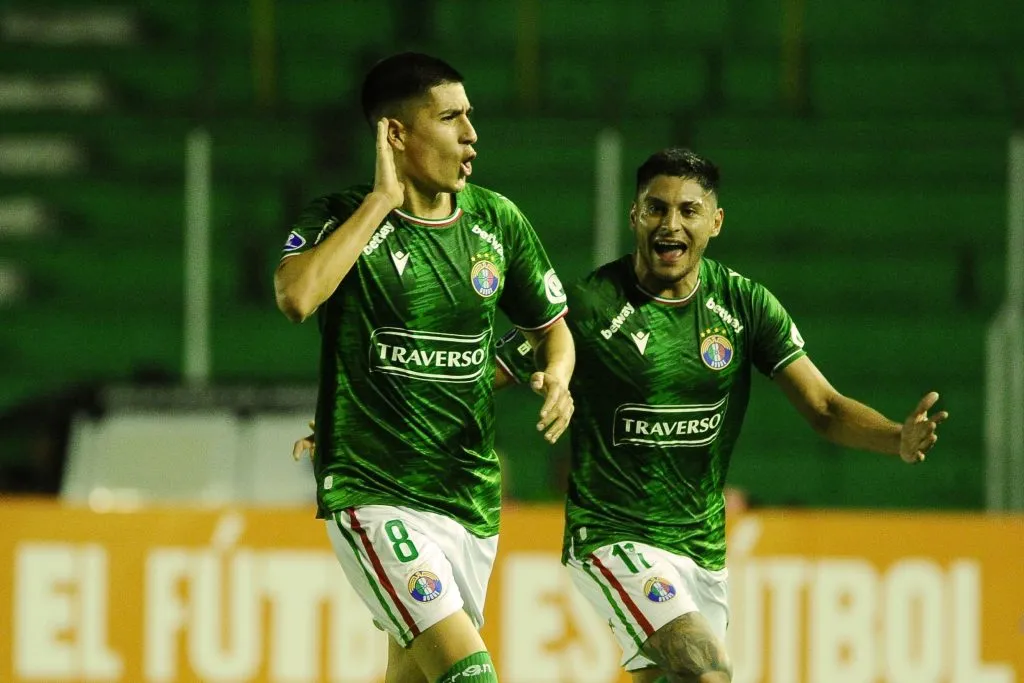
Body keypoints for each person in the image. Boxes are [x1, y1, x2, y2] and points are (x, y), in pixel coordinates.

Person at [492, 147, 948, 683]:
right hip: (614, 537)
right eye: (656, 208)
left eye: (688, 210)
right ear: (634, 215)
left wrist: (895, 437)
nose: (671, 224)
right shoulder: (591, 305)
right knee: (708, 671)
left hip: (702, 551)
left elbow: (824, 407)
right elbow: (487, 374)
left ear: (715, 222)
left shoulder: (745, 305)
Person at [274, 52, 575, 683]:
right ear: (396, 133)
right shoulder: (339, 217)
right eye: (451, 117)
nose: (471, 134)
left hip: (468, 500)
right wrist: (383, 200)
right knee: (470, 674)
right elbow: (298, 298)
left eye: (469, 116)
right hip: (376, 497)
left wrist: (557, 377)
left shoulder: (497, 221)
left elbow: (551, 334)